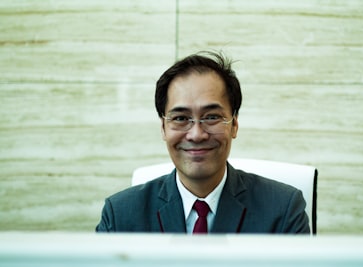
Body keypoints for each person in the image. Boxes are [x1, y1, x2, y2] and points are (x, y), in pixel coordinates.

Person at [96, 51, 310, 234]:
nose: (196, 134)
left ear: (234, 124)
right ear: (163, 127)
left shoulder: (283, 210)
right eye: (180, 118)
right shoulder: (120, 215)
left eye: (211, 117)